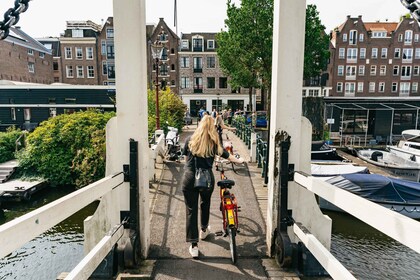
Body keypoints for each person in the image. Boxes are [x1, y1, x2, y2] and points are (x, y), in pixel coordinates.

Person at [181, 115, 244, 258]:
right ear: (212, 127)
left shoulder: (189, 140)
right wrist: (240, 161)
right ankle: (204, 230)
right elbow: (228, 156)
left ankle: (194, 246)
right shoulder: (213, 143)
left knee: (191, 210)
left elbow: (186, 160)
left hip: (190, 177)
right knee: (205, 203)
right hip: (206, 179)